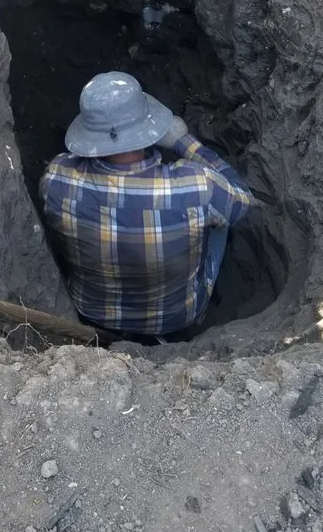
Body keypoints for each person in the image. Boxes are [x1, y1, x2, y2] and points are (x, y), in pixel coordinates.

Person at [39, 72, 254, 338]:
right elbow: (243, 202)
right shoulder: (196, 185)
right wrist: (182, 142)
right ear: (147, 126)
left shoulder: (57, 177)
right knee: (220, 214)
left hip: (93, 314)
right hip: (176, 318)